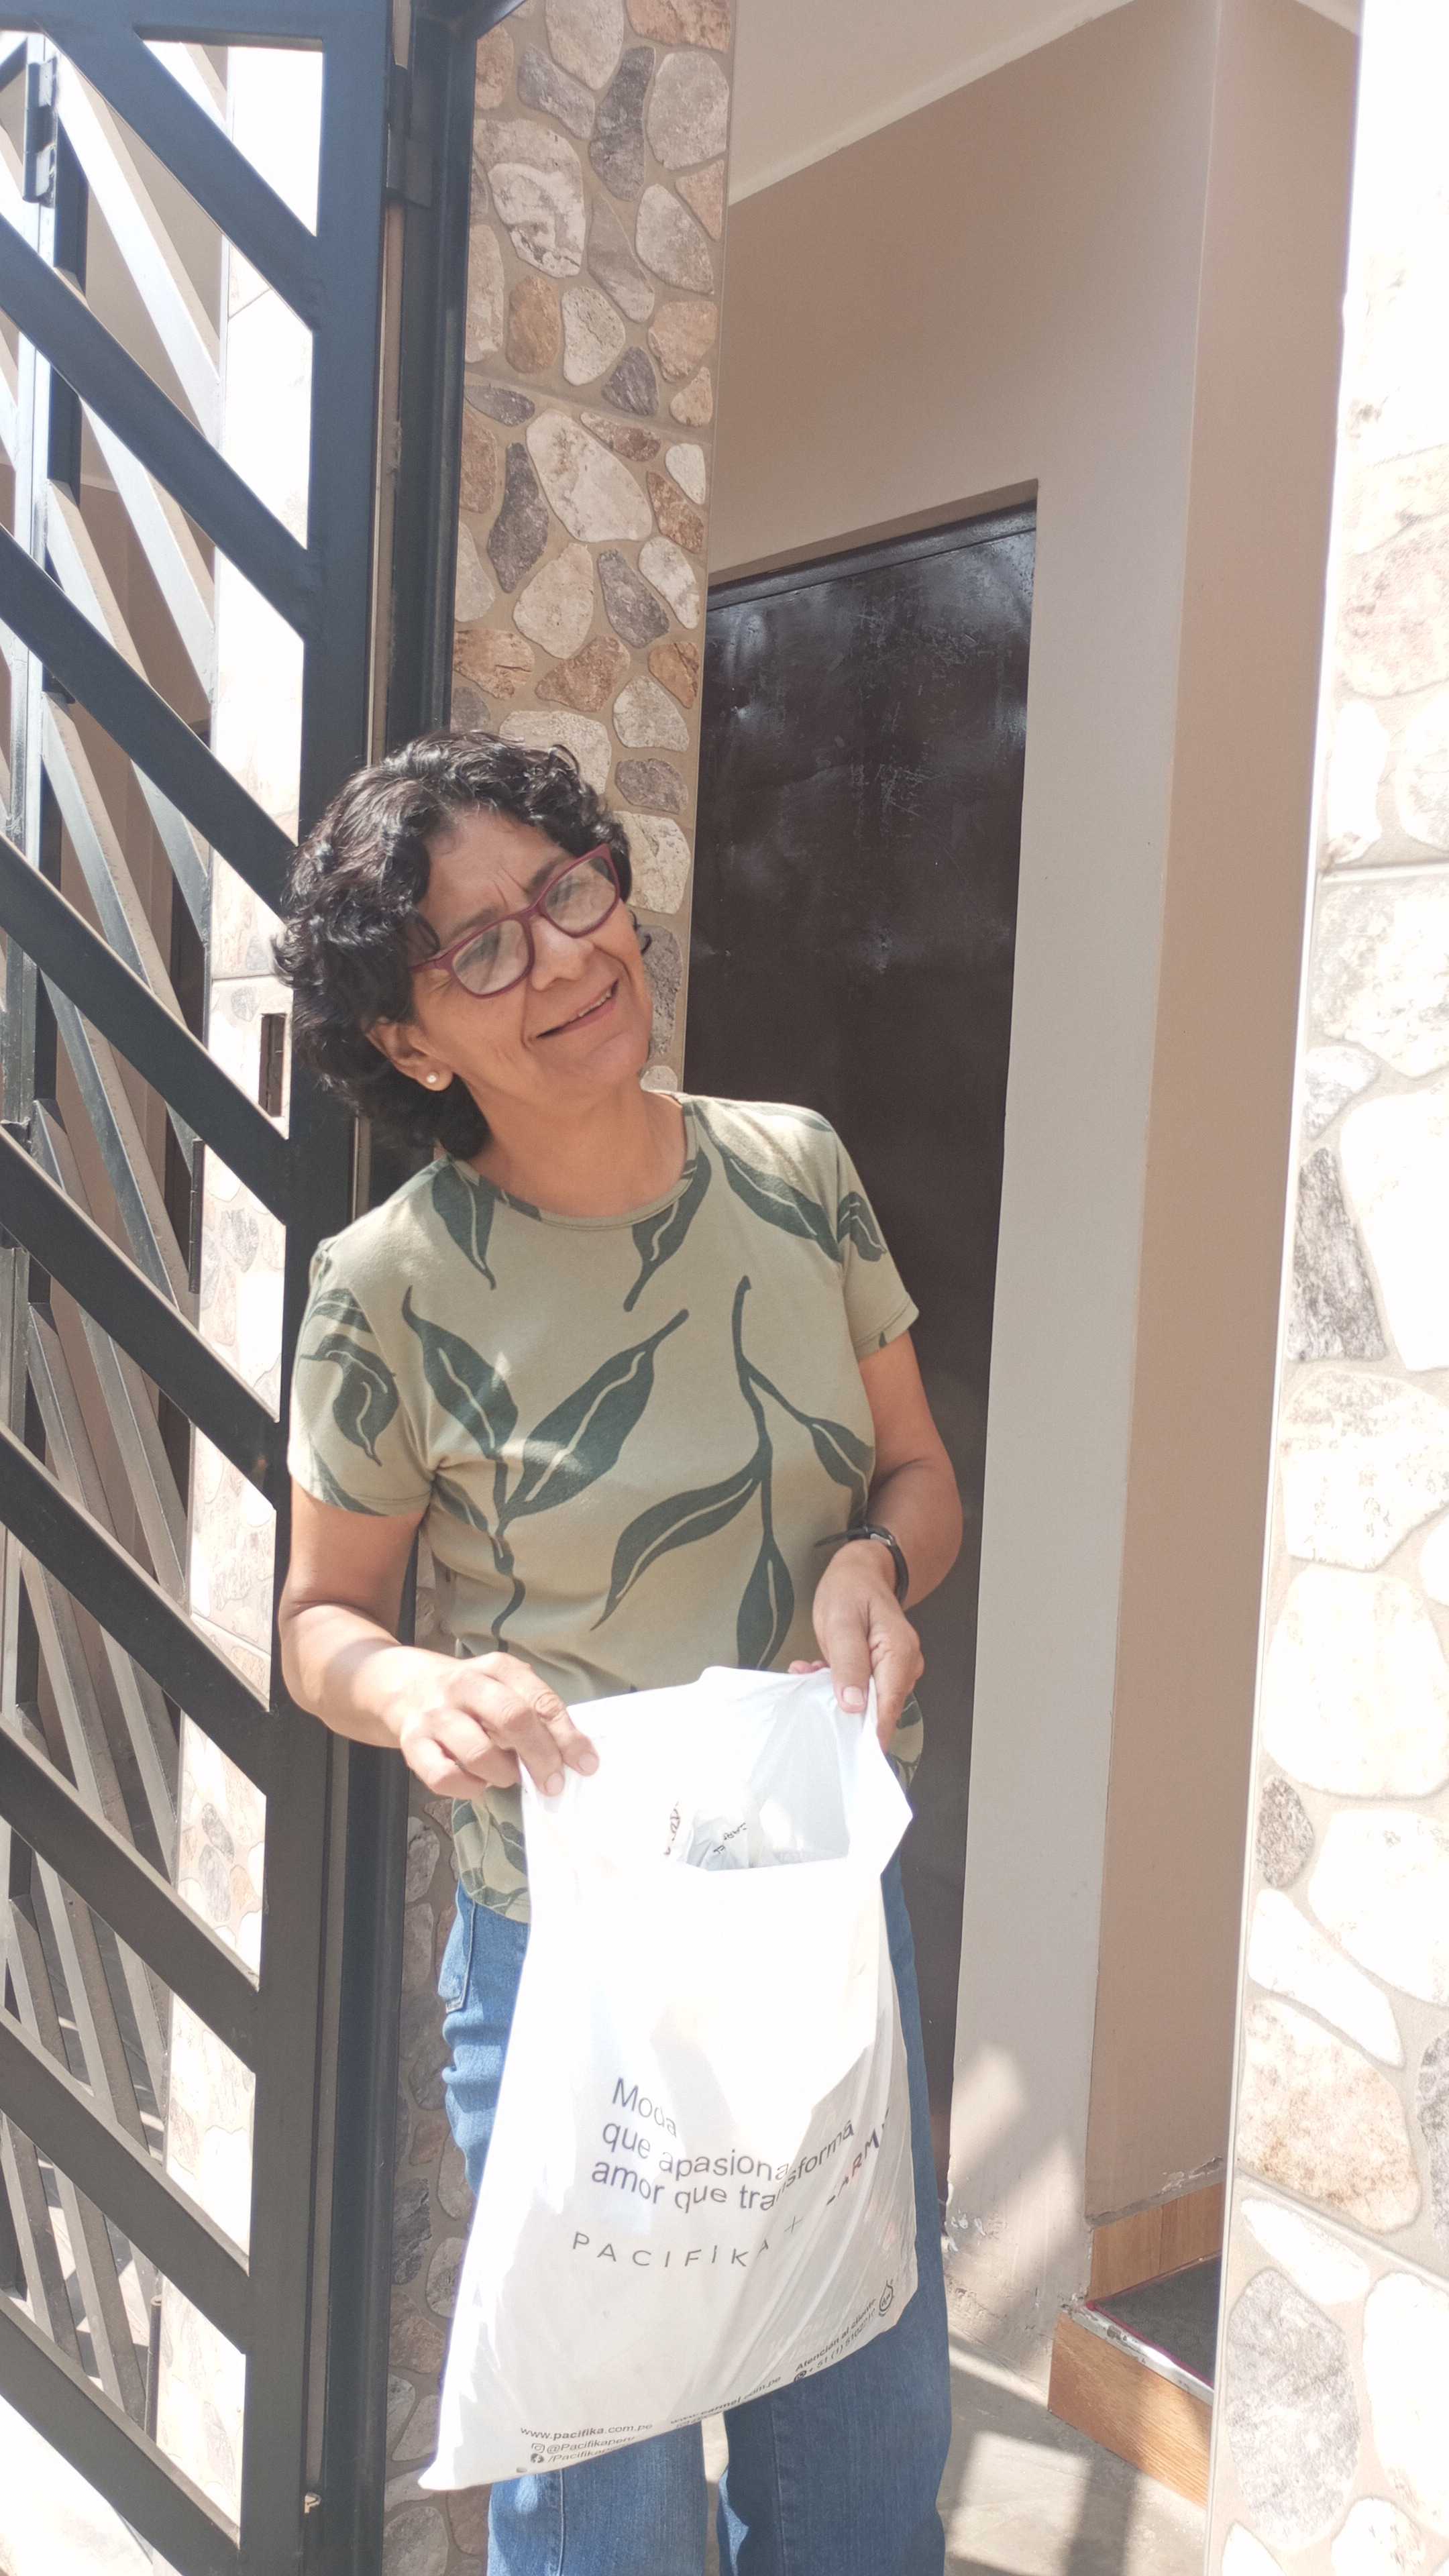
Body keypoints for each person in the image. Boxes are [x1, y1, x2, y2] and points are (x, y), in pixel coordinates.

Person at [275, 729, 962, 2576]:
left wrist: (878, 1563)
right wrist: (415, 1690)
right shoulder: (386, 1286)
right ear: (413, 1039)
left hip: (817, 1926)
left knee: (862, 2477)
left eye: (568, 890)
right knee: (607, 2516)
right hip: (570, 1963)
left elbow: (918, 1474)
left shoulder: (795, 1171)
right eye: (481, 945)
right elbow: (321, 1624)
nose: (566, 954)